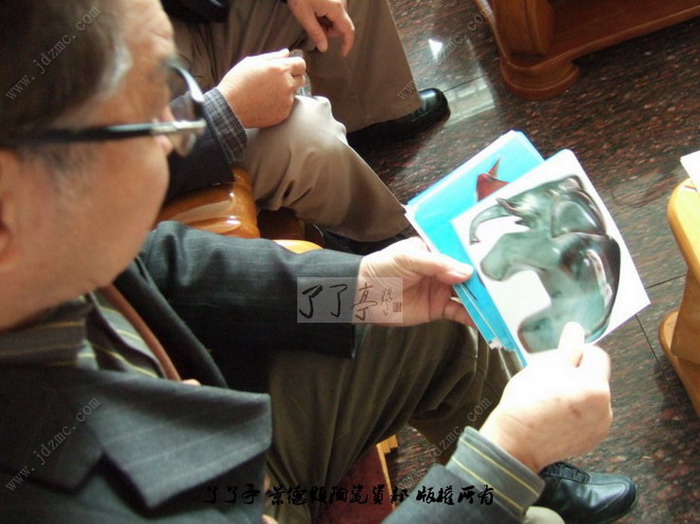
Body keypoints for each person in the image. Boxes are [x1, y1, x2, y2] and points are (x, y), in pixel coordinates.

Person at [0, 1, 636, 523]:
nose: (184, 132)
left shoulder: (48, 260)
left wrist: (358, 288)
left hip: (205, 430)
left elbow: (165, 265)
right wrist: (504, 460)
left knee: (429, 325)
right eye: (151, 105)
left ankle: (533, 482)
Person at [161, 0, 450, 251]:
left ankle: (371, 114)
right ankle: (377, 242)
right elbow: (134, 162)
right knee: (306, 133)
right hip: (166, 139)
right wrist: (227, 110)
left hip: (181, 20)